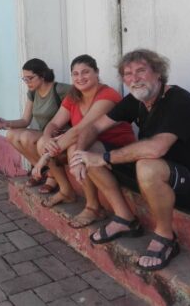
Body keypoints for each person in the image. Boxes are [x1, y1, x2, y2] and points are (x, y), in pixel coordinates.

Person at [70, 49, 190, 271]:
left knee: (146, 165)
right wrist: (79, 155)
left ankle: (166, 237)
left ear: (158, 73)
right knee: (90, 148)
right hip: (152, 173)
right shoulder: (136, 100)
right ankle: (124, 217)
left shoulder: (179, 100)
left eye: (140, 71)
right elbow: (94, 126)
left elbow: (157, 148)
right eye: (127, 74)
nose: (134, 79)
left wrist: (104, 158)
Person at [34, 55, 135, 228]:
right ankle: (67, 191)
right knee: (43, 143)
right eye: (75, 74)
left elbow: (80, 130)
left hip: (118, 148)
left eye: (85, 72)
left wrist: (44, 157)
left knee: (76, 148)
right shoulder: (74, 96)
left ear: (97, 73)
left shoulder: (107, 96)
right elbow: (54, 122)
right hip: (89, 143)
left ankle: (93, 206)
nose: (80, 78)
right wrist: (47, 137)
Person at [0, 58, 71, 193]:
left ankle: (52, 176)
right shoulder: (33, 93)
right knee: (11, 134)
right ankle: (40, 170)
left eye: (30, 78)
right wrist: (6, 123)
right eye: (24, 79)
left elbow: (79, 100)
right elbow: (25, 120)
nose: (27, 82)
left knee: (27, 136)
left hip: (59, 135)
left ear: (43, 75)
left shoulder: (61, 89)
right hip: (43, 134)